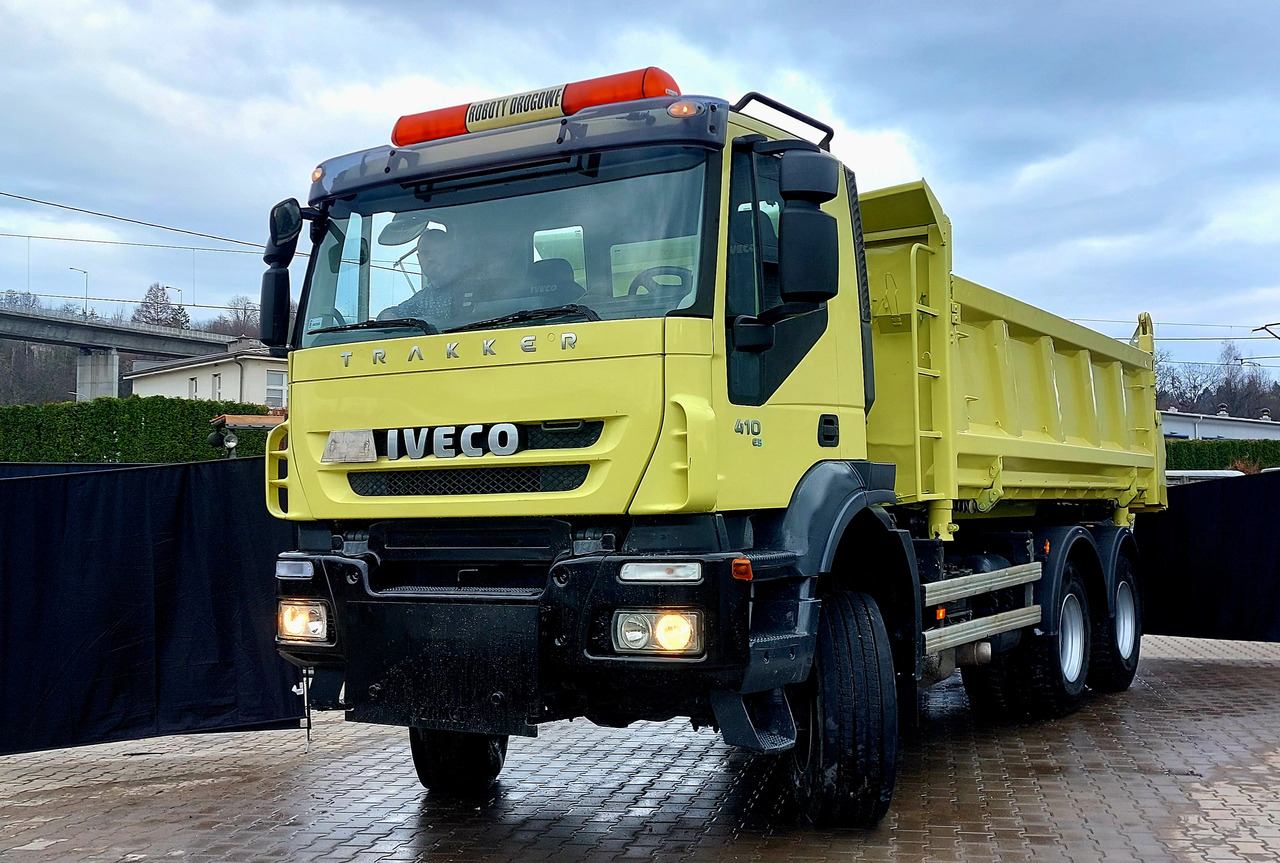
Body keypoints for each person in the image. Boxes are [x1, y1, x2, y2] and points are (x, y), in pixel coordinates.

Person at [378, 227, 463, 323]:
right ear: (419, 258)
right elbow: (391, 313)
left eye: (438, 251)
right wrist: (388, 317)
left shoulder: (472, 287)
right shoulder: (423, 299)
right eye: (425, 253)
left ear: (451, 254)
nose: (430, 258)